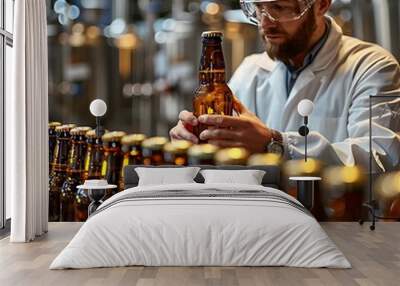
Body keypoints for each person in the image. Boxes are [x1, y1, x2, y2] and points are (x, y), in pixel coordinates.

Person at [169, 0, 400, 172]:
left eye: (280, 8)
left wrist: (277, 145)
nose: (266, 23)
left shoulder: (372, 66)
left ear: (321, 5)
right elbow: (225, 152)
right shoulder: (250, 71)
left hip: (343, 229)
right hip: (266, 224)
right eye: (259, 8)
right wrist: (194, 140)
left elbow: (380, 160)